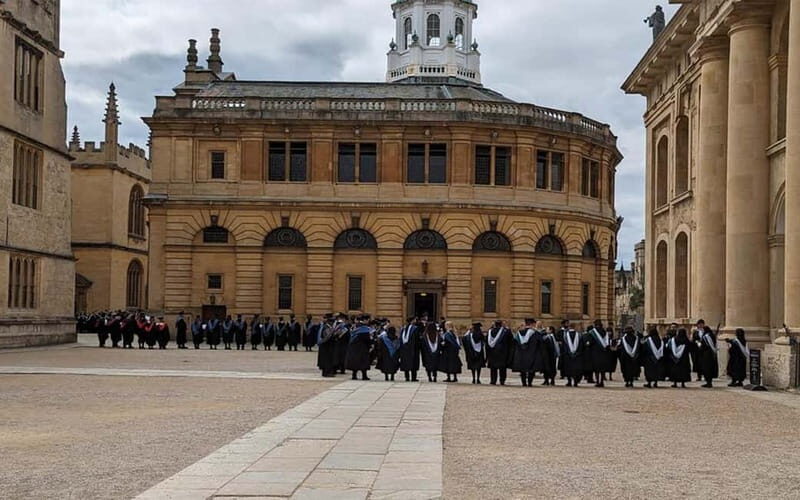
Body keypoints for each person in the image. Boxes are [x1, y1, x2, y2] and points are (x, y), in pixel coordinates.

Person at [345, 315, 373, 380]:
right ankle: (364, 376)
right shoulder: (364, 328)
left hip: (353, 347)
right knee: (363, 361)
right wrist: (370, 345)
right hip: (362, 347)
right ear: (365, 320)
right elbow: (366, 339)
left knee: (355, 361)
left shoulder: (354, 326)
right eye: (368, 320)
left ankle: (354, 375)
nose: (368, 321)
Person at [586, 320, 613, 387]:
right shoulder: (604, 332)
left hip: (595, 352)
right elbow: (607, 343)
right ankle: (602, 381)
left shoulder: (592, 332)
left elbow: (589, 343)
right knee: (602, 368)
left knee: (596, 368)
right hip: (603, 352)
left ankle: (597, 381)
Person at [487, 320, 513, 386]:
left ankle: (493, 380)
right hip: (502, 352)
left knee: (493, 368)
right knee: (502, 368)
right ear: (501, 324)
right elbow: (511, 341)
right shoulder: (506, 331)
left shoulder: (490, 331)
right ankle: (502, 381)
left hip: (492, 352)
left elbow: (486, 342)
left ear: (495, 324)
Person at [512, 319, 537, 387]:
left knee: (522, 369)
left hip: (521, 354)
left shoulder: (519, 332)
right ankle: (529, 382)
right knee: (531, 369)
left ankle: (524, 383)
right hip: (531, 353)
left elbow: (514, 343)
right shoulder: (534, 333)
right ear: (532, 324)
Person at [561, 320, 584, 387]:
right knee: (576, 369)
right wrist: (578, 353)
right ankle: (575, 382)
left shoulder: (565, 335)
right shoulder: (579, 335)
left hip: (567, 355)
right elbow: (581, 346)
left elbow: (564, 346)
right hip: (577, 355)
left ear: (569, 327)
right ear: (575, 327)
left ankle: (569, 382)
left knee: (568, 369)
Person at [399, 317, 421, 382]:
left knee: (406, 362)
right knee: (413, 363)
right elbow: (417, 340)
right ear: (412, 321)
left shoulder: (403, 328)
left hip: (404, 349)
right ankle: (413, 378)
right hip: (413, 349)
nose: (416, 321)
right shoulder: (415, 329)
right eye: (415, 320)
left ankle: (407, 377)